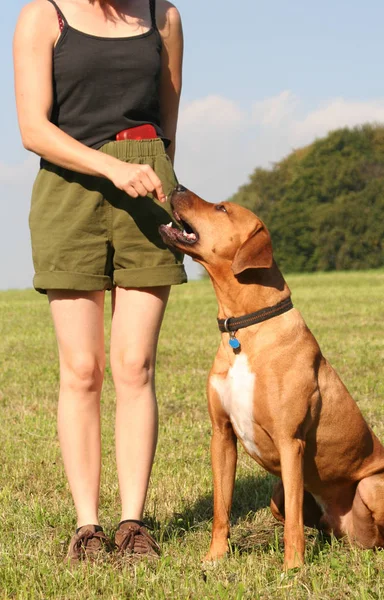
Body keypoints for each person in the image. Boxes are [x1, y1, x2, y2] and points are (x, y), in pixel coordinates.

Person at [13, 0, 186, 562]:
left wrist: (160, 183)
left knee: (134, 365)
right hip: (70, 194)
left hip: (147, 192)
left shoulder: (164, 17)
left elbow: (169, 123)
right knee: (82, 369)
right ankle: (87, 527)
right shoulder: (43, 15)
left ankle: (133, 524)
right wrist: (111, 166)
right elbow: (33, 129)